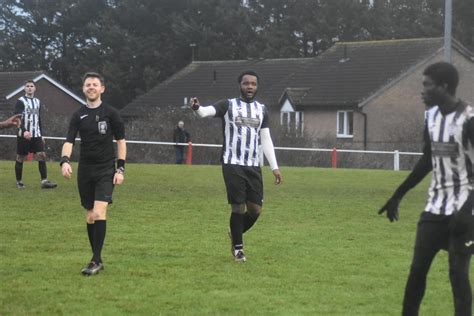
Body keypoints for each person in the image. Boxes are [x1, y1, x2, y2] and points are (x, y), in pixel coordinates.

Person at [379, 62, 473, 316]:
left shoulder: (468, 120)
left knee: (457, 273)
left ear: (443, 87)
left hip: (465, 209)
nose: (422, 90)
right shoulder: (430, 117)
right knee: (417, 271)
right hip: (435, 207)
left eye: (427, 85)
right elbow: (427, 160)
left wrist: (466, 212)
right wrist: (398, 194)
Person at [190, 70, 282, 262]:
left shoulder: (261, 109)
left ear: (257, 87)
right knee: (238, 208)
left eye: (253, 84)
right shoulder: (228, 105)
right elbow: (206, 112)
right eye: (246, 83)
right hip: (232, 164)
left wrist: (274, 167)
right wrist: (197, 108)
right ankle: (239, 250)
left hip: (253, 165)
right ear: (240, 85)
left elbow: (266, 139)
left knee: (255, 210)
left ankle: (235, 234)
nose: (249, 87)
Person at [60, 72, 126, 276]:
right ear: (83, 89)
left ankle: (95, 260)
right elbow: (69, 141)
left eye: (95, 85)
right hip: (85, 170)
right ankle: (97, 258)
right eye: (88, 84)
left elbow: (121, 142)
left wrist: (121, 168)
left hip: (106, 169)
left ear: (102, 89)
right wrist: (64, 161)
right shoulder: (78, 115)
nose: (91, 87)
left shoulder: (111, 113)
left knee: (99, 213)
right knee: (90, 217)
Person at [13, 80, 57, 189]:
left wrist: (41, 134)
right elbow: (16, 119)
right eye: (27, 86)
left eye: (31, 86)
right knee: (20, 157)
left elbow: (38, 119)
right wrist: (24, 131)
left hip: (36, 134)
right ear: (24, 88)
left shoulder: (37, 102)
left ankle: (44, 181)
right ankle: (19, 182)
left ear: (35, 88)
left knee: (41, 155)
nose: (29, 88)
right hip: (23, 135)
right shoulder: (20, 101)